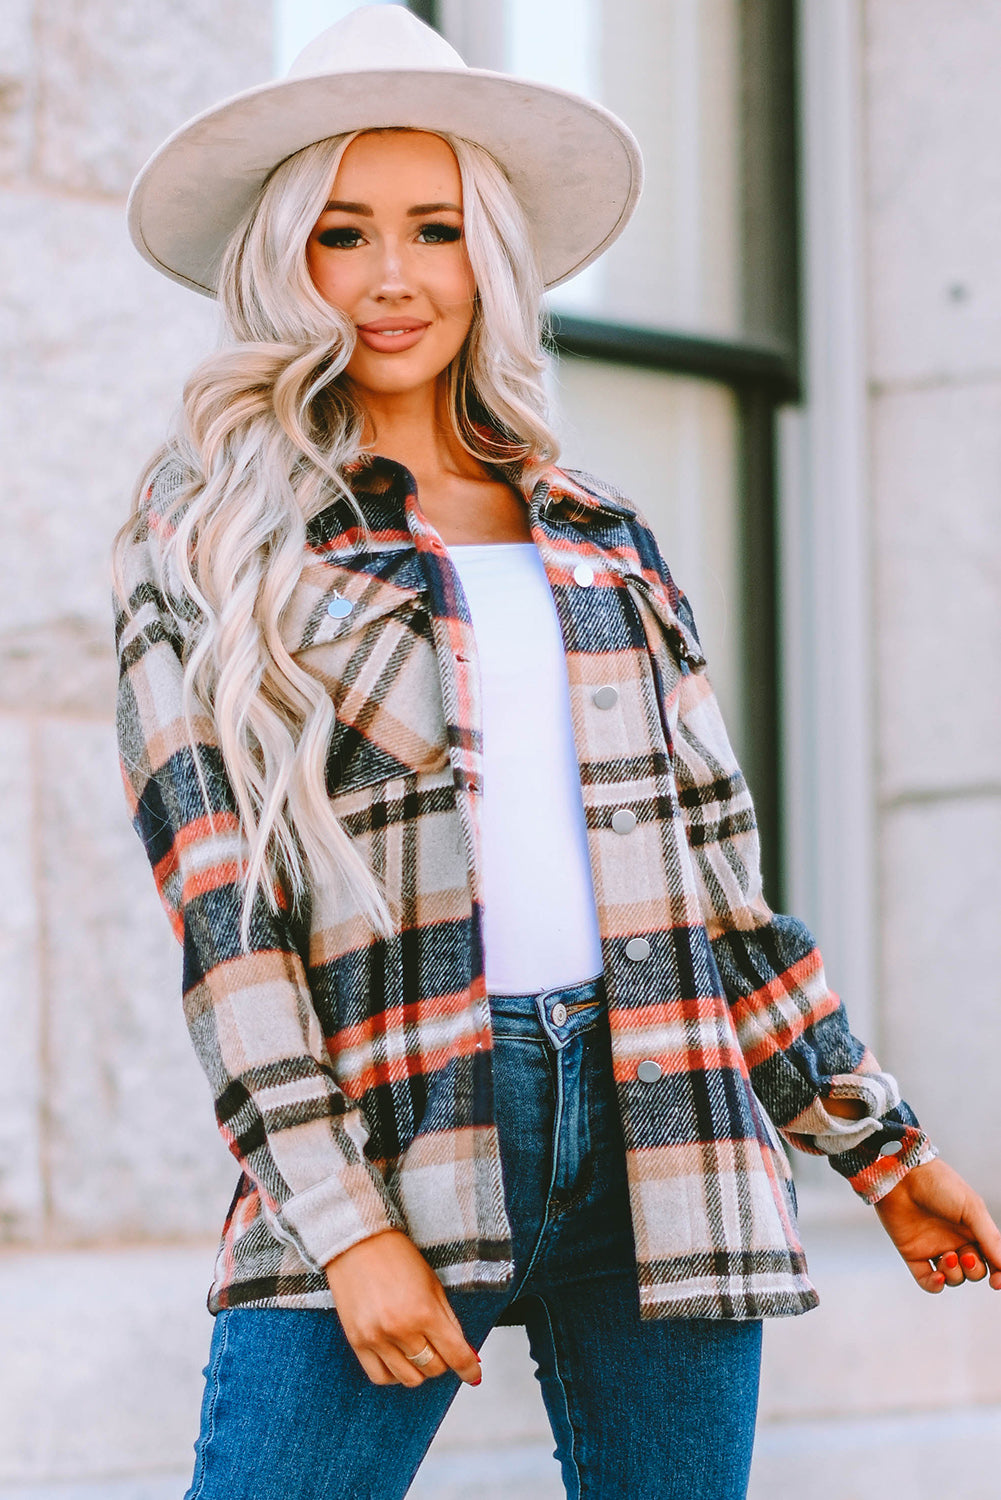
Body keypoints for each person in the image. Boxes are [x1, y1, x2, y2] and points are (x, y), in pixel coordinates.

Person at [112, 7, 1001, 1499]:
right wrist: (343, 1225)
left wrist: (881, 1150)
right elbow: (226, 924)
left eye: (436, 230)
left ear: (491, 257)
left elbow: (720, 897)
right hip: (396, 1124)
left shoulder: (600, 531)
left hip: (670, 1113)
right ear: (284, 260)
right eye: (343, 234)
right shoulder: (209, 530)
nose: (393, 278)